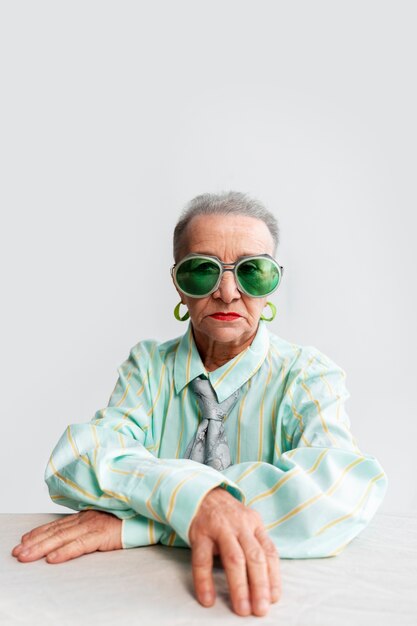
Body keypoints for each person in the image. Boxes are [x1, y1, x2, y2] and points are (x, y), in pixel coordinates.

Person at [11, 191, 388, 617]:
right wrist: (200, 500)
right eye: (201, 271)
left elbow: (335, 496)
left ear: (274, 283)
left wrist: (155, 520)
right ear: (177, 283)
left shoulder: (309, 375)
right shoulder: (149, 366)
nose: (228, 293)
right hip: (133, 606)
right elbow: (77, 462)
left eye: (253, 272)